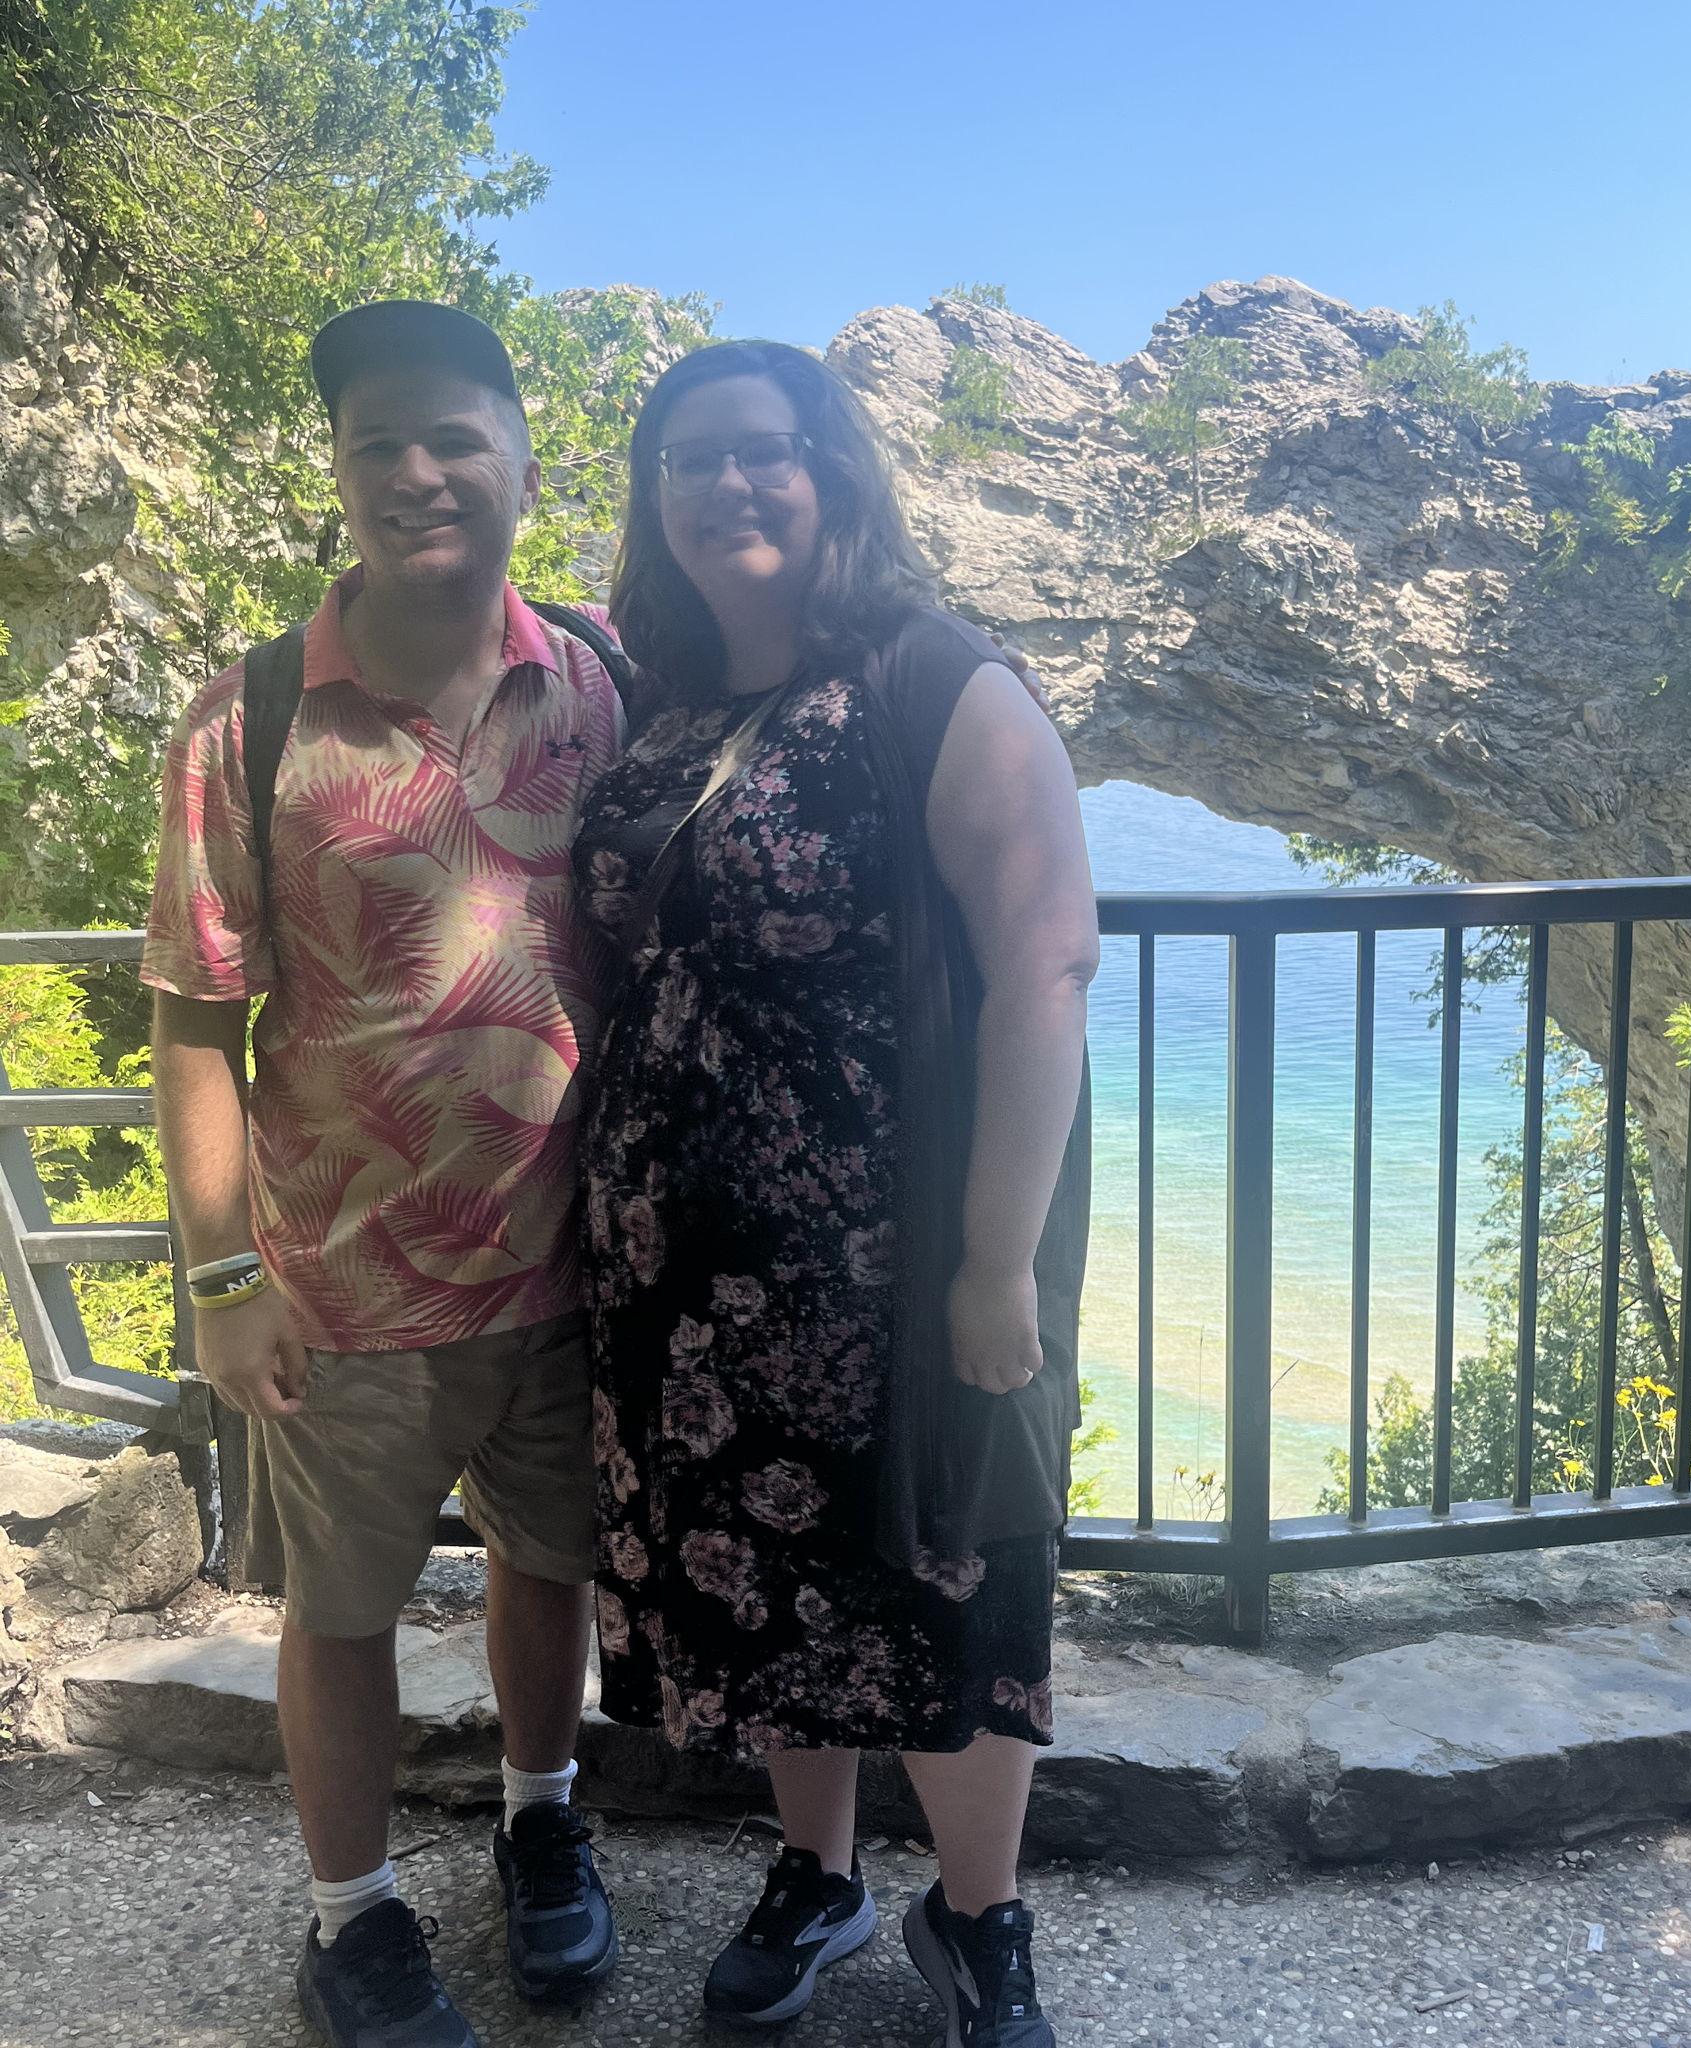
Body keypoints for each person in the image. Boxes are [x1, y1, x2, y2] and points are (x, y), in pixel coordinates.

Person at [575, 340, 1097, 2046]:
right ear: (658, 503)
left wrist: (995, 1266)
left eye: (767, 452)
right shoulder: (661, 698)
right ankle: (818, 1874)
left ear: (834, 474)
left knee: (943, 1579)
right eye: (690, 462)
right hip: (689, 1269)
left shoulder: (935, 681)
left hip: (893, 1263)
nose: (730, 485)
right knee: (760, 1585)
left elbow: (1046, 974)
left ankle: (979, 1917)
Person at [144, 301, 620, 2048]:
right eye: (376, 445)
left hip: (571, 1264)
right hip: (342, 1285)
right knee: (338, 1611)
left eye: (453, 438)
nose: (417, 474)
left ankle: (541, 1817)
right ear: (340, 475)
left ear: (520, 456)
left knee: (544, 1561)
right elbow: (196, 1022)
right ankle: (350, 1920)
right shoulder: (254, 717)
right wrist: (220, 1280)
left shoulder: (595, 681)